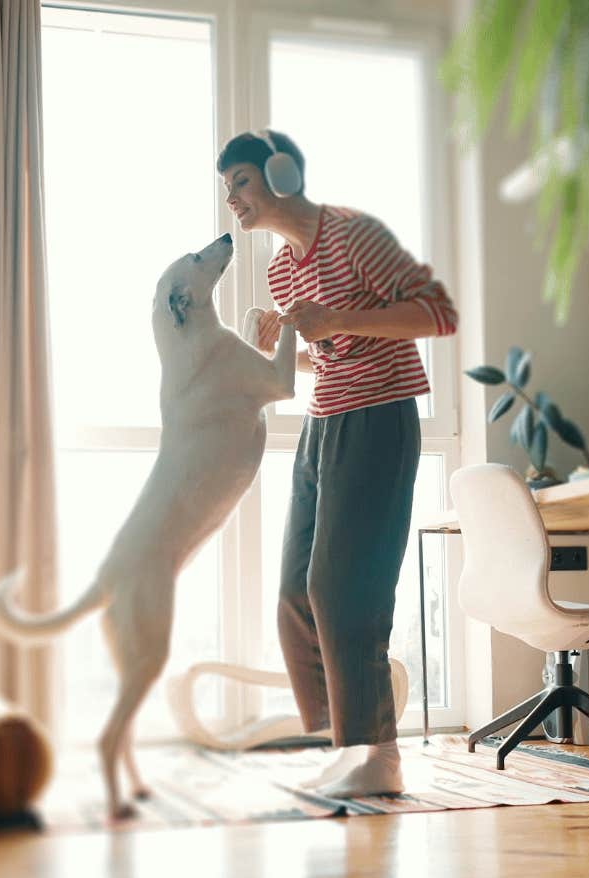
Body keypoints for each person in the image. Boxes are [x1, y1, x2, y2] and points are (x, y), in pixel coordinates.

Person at [218, 129, 459, 798]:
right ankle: (346, 742)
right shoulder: (280, 270)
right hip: (323, 422)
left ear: (280, 173)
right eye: (228, 188)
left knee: (340, 586)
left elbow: (435, 313)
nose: (232, 198)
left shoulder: (354, 235)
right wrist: (284, 344)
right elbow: (328, 349)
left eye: (240, 181)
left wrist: (334, 317)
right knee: (297, 590)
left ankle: (374, 754)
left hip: (379, 416)